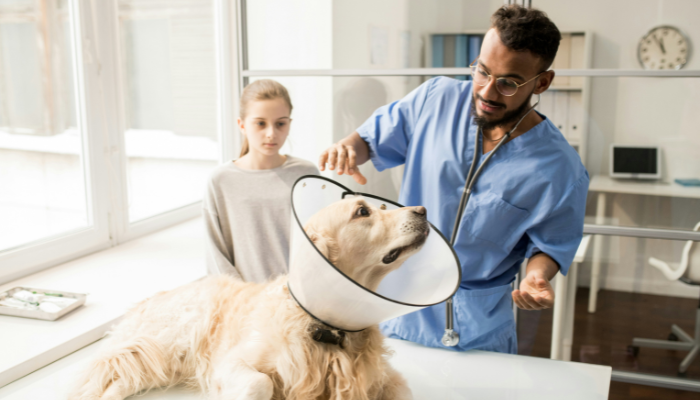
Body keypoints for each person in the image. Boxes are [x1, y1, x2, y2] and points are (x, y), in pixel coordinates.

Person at [318, 5, 589, 354]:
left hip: (478, 327)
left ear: (542, 82)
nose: (488, 91)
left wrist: (538, 276)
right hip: (397, 304)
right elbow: (369, 140)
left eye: (507, 82)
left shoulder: (560, 168)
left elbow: (548, 246)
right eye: (482, 71)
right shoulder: (435, 99)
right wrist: (348, 149)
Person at [204, 79, 319, 283]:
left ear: (289, 124)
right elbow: (216, 255)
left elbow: (320, 243)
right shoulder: (221, 180)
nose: (271, 133)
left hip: (299, 300)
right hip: (245, 305)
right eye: (260, 123)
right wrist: (244, 300)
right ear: (242, 125)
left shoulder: (306, 174)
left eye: (280, 124)